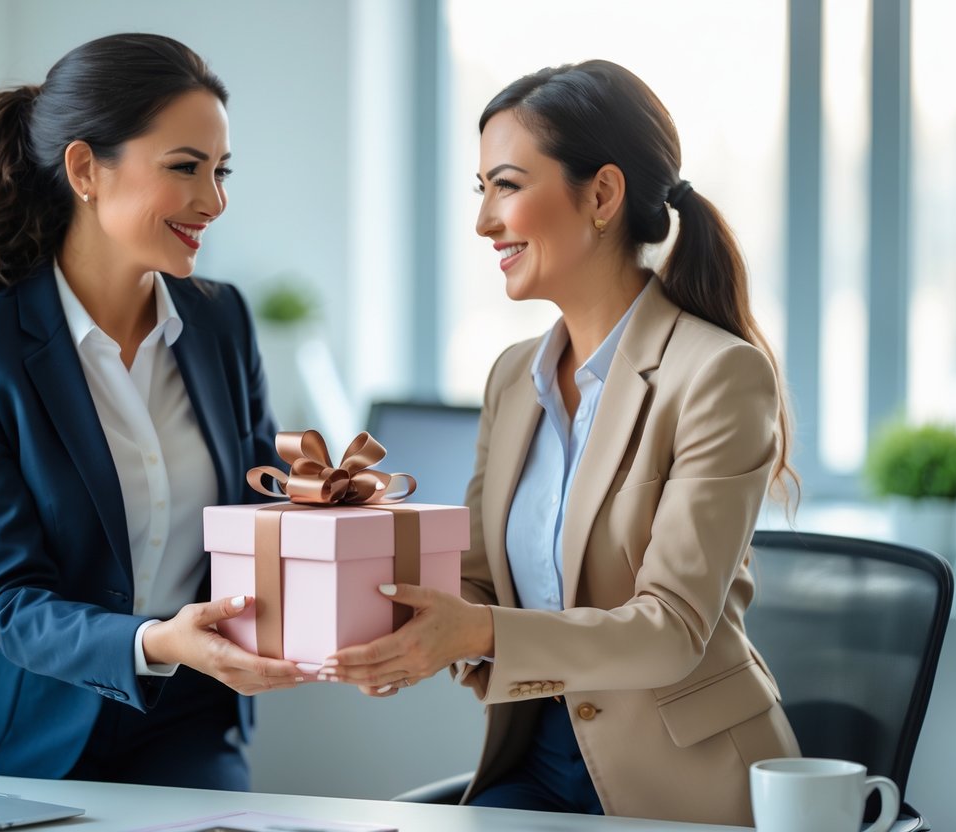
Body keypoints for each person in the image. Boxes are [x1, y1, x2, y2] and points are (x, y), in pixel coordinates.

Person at [322, 60, 801, 826]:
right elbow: (478, 579)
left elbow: (671, 629)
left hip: (682, 787)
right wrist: (407, 630)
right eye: (479, 189)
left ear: (602, 195)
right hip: (535, 764)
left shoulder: (717, 375)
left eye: (506, 186)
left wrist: (473, 630)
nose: (483, 221)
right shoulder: (514, 378)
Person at [0, 33, 305, 790]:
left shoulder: (221, 321)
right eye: (184, 168)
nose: (212, 201)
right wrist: (154, 639)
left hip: (188, 720)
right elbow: (13, 602)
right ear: (85, 169)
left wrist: (333, 510)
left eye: (220, 172)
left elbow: (257, 503)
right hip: (31, 731)